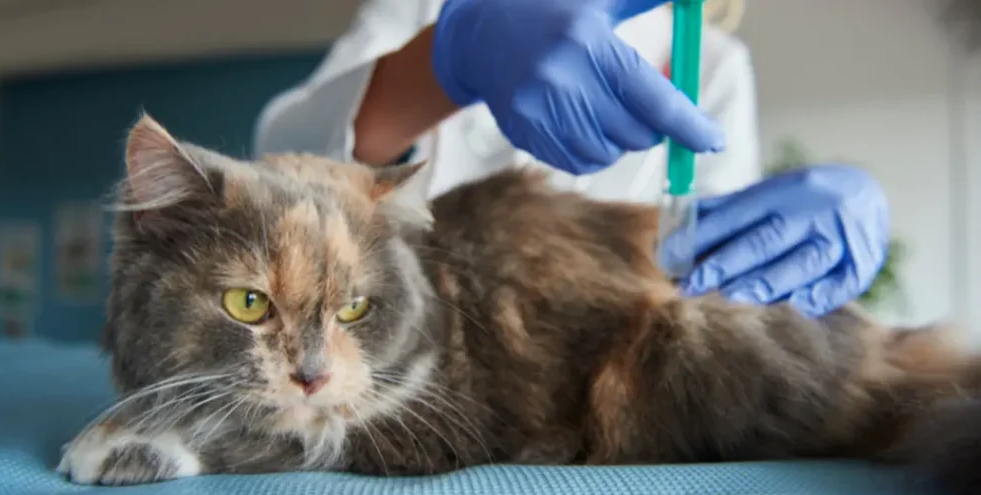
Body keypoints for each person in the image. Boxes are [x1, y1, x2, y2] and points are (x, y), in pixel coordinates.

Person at [253, 0, 889, 318]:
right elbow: (280, 162)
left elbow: (725, 282)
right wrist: (449, 58)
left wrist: (814, 239)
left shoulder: (714, 65)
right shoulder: (431, 7)